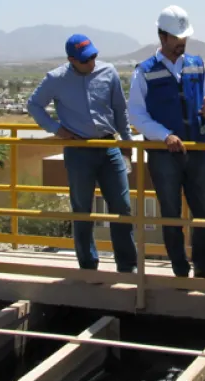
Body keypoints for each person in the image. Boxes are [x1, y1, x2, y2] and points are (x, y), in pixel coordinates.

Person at [128, 6, 205, 280]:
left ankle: (204, 267)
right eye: (176, 38)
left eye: (184, 37)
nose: (181, 43)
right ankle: (180, 270)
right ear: (162, 36)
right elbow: (136, 113)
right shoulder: (144, 72)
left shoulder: (198, 64)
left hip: (197, 149)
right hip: (164, 154)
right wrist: (164, 135)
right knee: (171, 214)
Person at [26, 34, 137, 273]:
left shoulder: (109, 72)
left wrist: (127, 141)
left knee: (122, 206)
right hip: (78, 150)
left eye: (94, 57)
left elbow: (120, 109)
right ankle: (88, 266)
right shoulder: (56, 78)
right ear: (71, 60)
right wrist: (57, 129)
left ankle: (128, 266)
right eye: (86, 60)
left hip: (109, 147)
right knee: (82, 209)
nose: (92, 63)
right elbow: (34, 104)